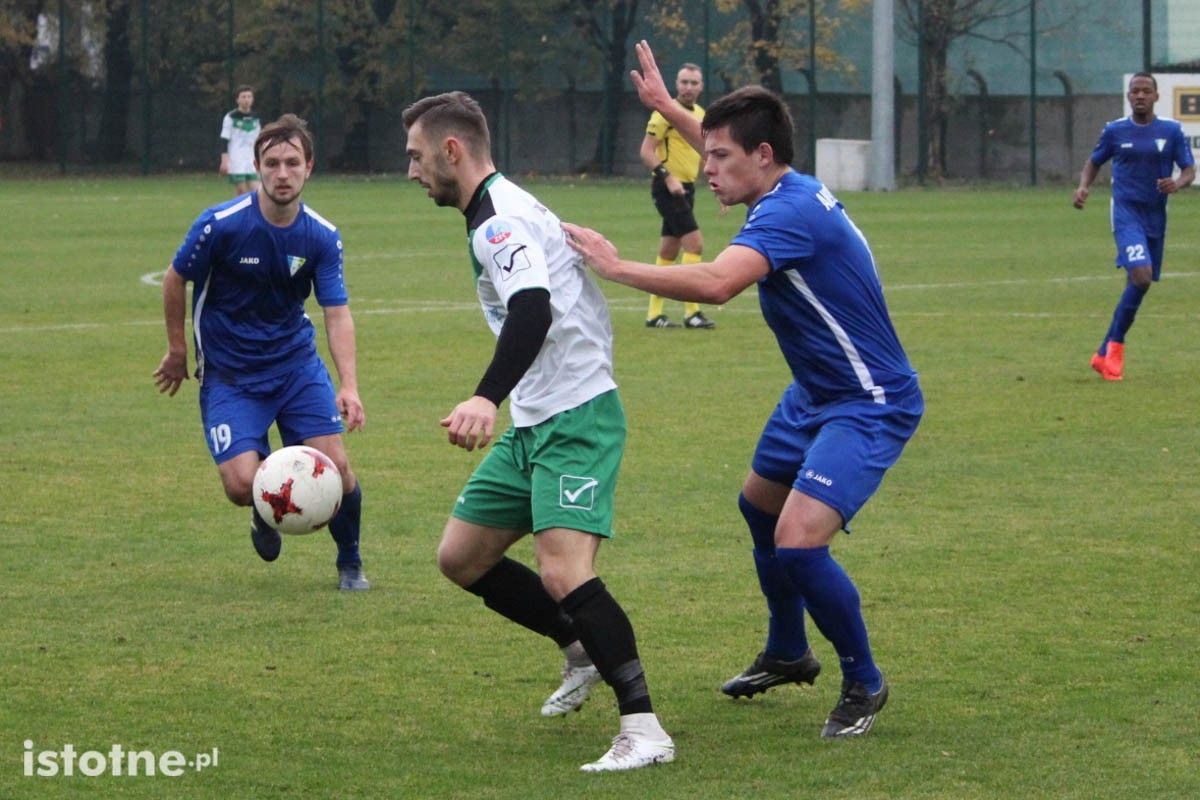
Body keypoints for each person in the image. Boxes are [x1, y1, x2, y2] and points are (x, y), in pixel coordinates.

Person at [563, 40, 924, 739]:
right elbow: (727, 145)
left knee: (797, 542)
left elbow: (719, 283)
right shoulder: (783, 183)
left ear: (762, 157)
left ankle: (865, 681)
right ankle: (789, 650)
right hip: (814, 395)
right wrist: (669, 108)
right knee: (759, 506)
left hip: (867, 399)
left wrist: (617, 266)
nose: (709, 169)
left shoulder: (787, 214)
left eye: (721, 158)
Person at [402, 90, 674, 772]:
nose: (411, 171)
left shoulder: (498, 221)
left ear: (452, 150)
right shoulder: (502, 208)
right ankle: (579, 650)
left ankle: (644, 729)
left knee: (563, 570)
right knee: (461, 557)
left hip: (576, 417)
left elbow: (532, 307)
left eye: (416, 156)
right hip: (537, 419)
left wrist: (484, 397)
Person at [153, 113, 369, 592]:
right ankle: (262, 506)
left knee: (337, 467)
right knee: (239, 485)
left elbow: (337, 312)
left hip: (295, 369)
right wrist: (175, 351)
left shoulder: (320, 236)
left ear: (309, 167)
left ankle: (350, 561)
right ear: (257, 166)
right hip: (230, 377)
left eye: (293, 162)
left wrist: (348, 385)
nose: (282, 173)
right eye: (272, 163)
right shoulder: (220, 225)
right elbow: (175, 278)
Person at [1073, 72, 1194, 381]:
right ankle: (1115, 348)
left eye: (1145, 91)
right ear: (1129, 97)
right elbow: (1094, 161)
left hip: (1155, 216)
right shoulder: (1115, 131)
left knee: (1139, 283)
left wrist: (1177, 183)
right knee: (1141, 277)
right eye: (1134, 91)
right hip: (1126, 214)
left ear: (1155, 96)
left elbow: (1189, 169)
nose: (1140, 95)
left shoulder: (1171, 131)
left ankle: (1104, 352)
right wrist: (1084, 187)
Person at [639, 62, 714, 330]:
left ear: (701, 86)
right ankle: (692, 312)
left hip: (687, 188)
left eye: (694, 83)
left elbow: (707, 154)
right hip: (668, 188)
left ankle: (653, 314)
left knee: (669, 251)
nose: (688, 87)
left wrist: (720, 185)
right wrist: (667, 177)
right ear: (676, 84)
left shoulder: (701, 115)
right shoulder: (664, 113)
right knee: (695, 245)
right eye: (684, 82)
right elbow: (647, 152)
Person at [219, 85, 262, 197]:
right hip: (236, 159)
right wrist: (224, 160)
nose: (246, 99)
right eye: (243, 97)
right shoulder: (230, 117)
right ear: (237, 99)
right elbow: (224, 139)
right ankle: (240, 213)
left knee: (257, 191)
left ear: (252, 99)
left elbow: (258, 139)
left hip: (251, 159)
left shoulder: (255, 117)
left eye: (249, 96)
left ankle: (253, 213)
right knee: (241, 191)